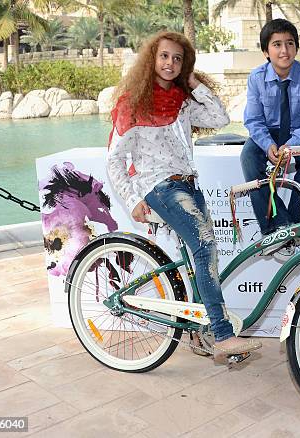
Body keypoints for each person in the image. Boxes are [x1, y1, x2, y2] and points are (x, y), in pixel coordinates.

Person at [106, 31, 261, 357]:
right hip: (159, 187)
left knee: (198, 258)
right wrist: (132, 199)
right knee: (205, 248)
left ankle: (195, 333)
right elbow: (115, 159)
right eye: (164, 56)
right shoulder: (133, 103)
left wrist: (193, 82)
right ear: (152, 59)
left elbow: (220, 118)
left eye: (178, 58)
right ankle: (222, 336)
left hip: (189, 184)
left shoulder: (183, 102)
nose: (170, 63)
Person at [241, 19, 300, 250]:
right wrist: (268, 145)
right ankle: (275, 227)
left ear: (296, 47)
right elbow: (253, 120)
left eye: (289, 43)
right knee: (248, 157)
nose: (284, 50)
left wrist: (291, 145)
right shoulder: (256, 78)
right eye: (276, 44)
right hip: (268, 133)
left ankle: (295, 224)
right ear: (266, 50)